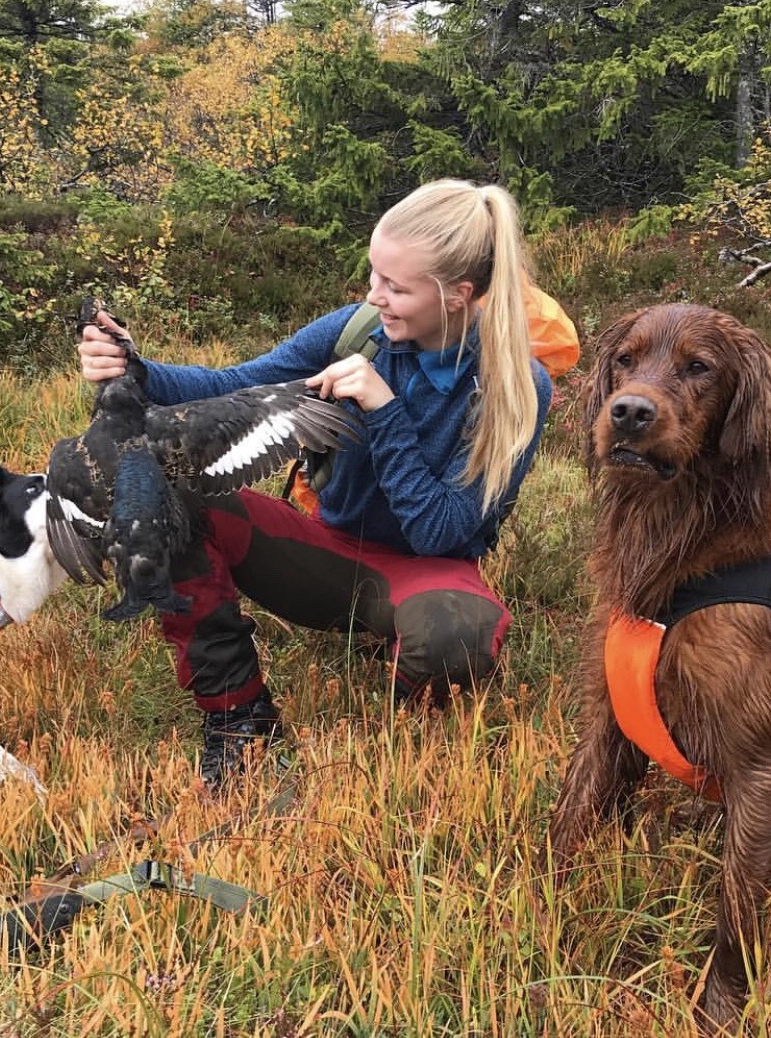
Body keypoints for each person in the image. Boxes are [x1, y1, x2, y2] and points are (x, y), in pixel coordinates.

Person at [78, 179, 554, 786]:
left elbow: (440, 534)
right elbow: (232, 387)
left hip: (425, 569)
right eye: (374, 274)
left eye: (396, 287)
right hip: (324, 554)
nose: (374, 296)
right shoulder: (355, 331)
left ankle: (402, 694)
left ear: (459, 295)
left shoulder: (517, 389)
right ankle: (239, 718)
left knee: (456, 637)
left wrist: (385, 412)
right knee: (166, 491)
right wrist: (133, 367)